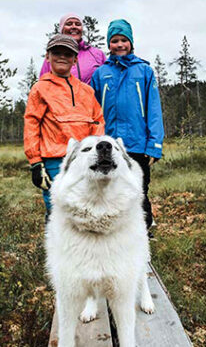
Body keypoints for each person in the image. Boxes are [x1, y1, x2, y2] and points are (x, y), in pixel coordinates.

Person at [90, 19, 164, 236]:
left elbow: (154, 110)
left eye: (124, 40)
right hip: (108, 144)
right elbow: (92, 110)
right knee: (110, 188)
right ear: (109, 44)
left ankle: (144, 229)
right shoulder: (100, 74)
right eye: (114, 41)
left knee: (139, 188)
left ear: (131, 43)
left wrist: (154, 145)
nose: (119, 44)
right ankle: (115, 232)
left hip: (137, 143)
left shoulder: (144, 71)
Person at [25, 34, 105, 221]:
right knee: (57, 209)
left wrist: (95, 150)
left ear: (75, 59)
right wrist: (36, 163)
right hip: (54, 161)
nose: (62, 57)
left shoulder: (86, 91)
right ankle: (57, 247)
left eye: (68, 54)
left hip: (84, 158)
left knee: (85, 205)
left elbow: (98, 120)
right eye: (57, 53)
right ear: (48, 57)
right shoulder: (40, 89)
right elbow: (31, 124)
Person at [40, 13, 106, 84]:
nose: (74, 27)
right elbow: (43, 83)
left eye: (78, 24)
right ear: (62, 29)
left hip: (90, 95)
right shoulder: (53, 56)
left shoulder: (97, 54)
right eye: (69, 24)